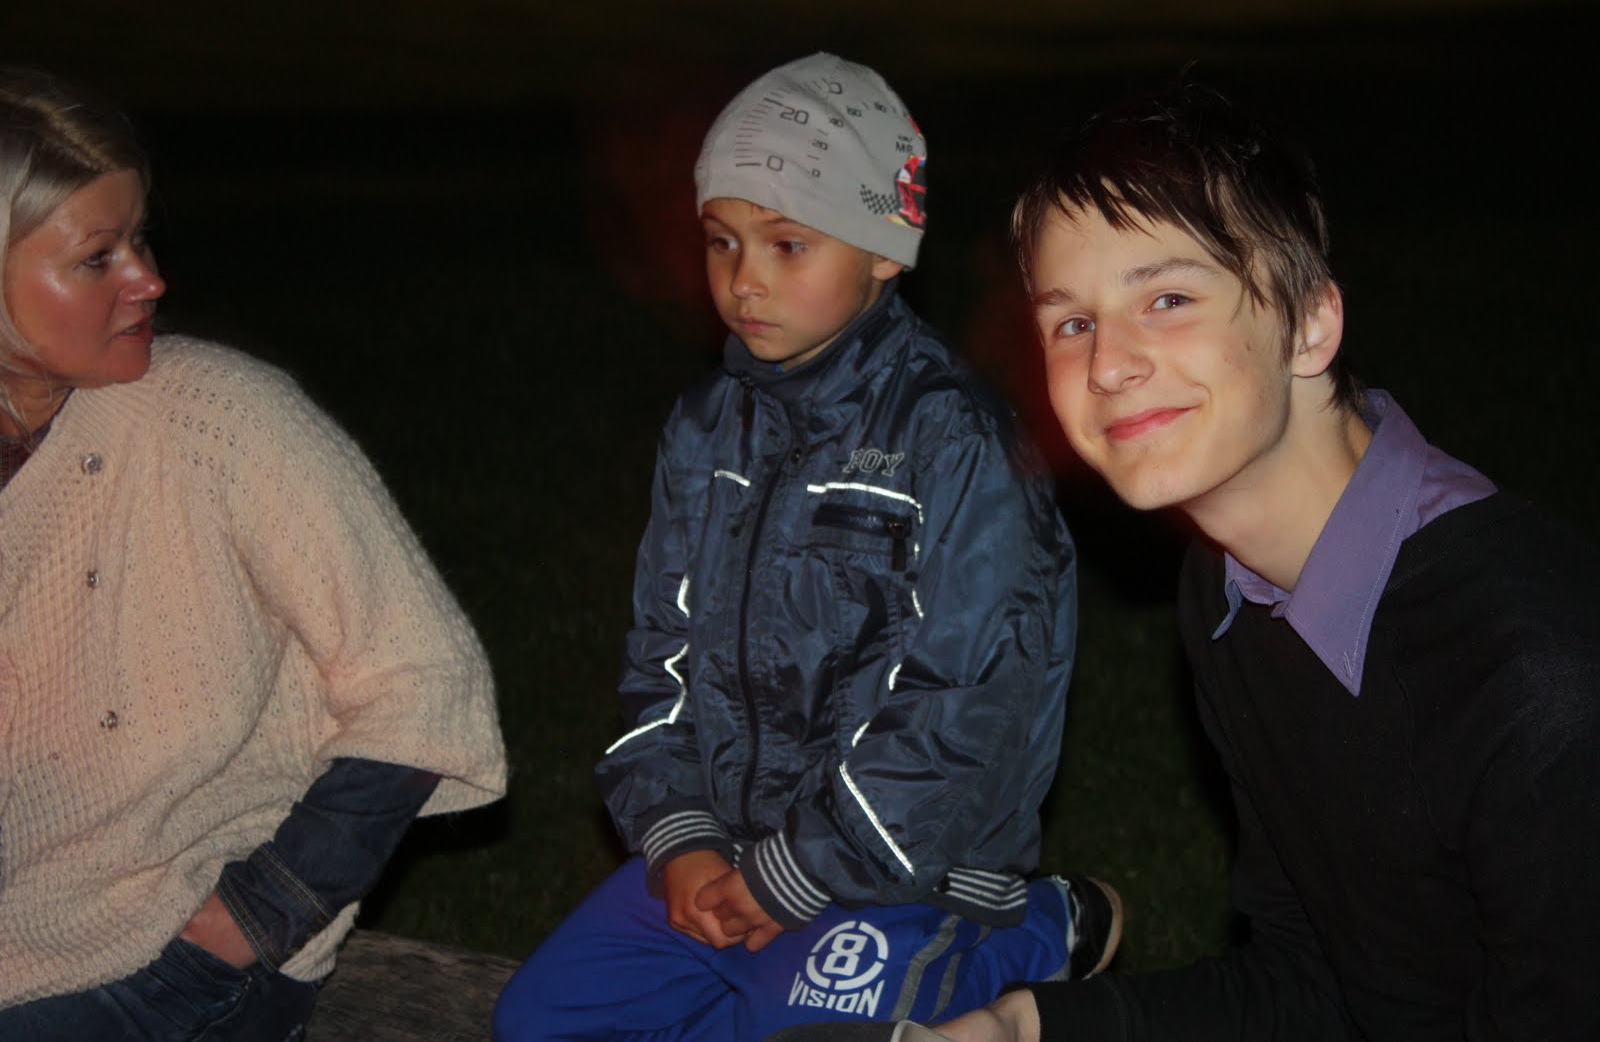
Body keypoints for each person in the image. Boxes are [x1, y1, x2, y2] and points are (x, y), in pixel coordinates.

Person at [785, 79, 1600, 1041]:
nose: (1107, 365)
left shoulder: (1535, 676)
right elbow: (1314, 981)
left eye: (1167, 299)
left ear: (1310, 322)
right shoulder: (1230, 588)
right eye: (1072, 322)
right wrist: (1020, 1025)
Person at [492, 52, 1118, 1041]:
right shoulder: (706, 429)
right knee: (541, 1021)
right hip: (732, 856)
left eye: (787, 243)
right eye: (722, 241)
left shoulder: (956, 442)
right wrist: (680, 837)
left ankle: (1027, 933)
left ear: (883, 249)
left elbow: (968, 705)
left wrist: (797, 870)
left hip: (905, 867)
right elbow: (659, 657)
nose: (744, 280)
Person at [0, 67, 507, 1041]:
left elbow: (425, 684)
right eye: (97, 258)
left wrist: (260, 914)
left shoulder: (220, 418)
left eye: (139, 238)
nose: (149, 279)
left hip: (169, 961)